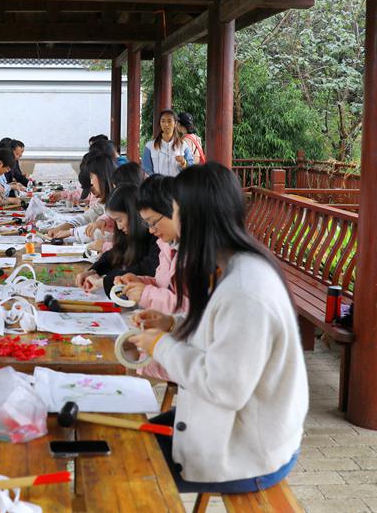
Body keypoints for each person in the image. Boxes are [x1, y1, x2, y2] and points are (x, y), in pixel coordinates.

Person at [128, 163, 307, 493]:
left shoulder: (245, 289)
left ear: (195, 217)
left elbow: (224, 388)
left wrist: (161, 346)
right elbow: (222, 337)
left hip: (246, 449)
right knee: (123, 447)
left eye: (176, 210)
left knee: (125, 472)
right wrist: (173, 324)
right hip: (228, 426)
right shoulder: (233, 264)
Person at [113, 175, 184, 313]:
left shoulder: (197, 253)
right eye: (147, 224)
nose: (151, 230)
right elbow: (163, 286)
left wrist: (146, 294)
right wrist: (140, 283)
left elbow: (188, 311)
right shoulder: (167, 245)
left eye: (153, 222)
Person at [78, 182, 159, 294]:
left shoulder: (157, 237)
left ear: (134, 215)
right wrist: (94, 271)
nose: (119, 226)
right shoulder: (130, 234)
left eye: (119, 220)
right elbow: (116, 252)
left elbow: (146, 269)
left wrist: (104, 282)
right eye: (115, 221)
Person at [47, 153, 116, 240]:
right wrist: (62, 228)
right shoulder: (105, 198)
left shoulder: (118, 198)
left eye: (91, 177)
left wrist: (71, 232)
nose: (91, 182)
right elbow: (89, 216)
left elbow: (105, 233)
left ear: (102, 176)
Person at [143, 109, 194, 176]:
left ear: (176, 124)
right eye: (163, 121)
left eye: (169, 121)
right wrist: (156, 181)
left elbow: (190, 168)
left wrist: (183, 162)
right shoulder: (149, 146)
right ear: (160, 123)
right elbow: (147, 169)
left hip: (176, 185)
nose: (166, 124)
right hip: (158, 184)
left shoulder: (183, 146)